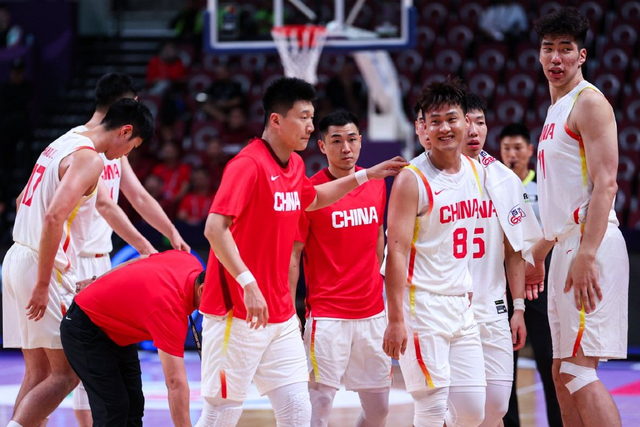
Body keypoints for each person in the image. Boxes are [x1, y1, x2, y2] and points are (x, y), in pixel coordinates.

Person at [196, 77, 406, 427]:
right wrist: (248, 283)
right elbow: (214, 229)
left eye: (311, 117)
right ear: (276, 120)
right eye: (304, 117)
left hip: (279, 315)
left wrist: (366, 176)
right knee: (222, 413)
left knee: (298, 411)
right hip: (237, 311)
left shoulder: (294, 166)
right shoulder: (247, 165)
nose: (310, 125)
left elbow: (314, 198)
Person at [2, 98, 153, 427]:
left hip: (15, 257)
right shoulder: (90, 159)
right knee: (67, 374)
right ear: (125, 131)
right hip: (40, 265)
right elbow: (54, 216)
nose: (125, 156)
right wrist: (43, 283)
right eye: (132, 147)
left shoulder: (62, 142)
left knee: (39, 372)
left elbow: (20, 199)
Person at [70, 71, 190, 427]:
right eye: (135, 102)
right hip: (73, 259)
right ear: (124, 102)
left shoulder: (115, 148)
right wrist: (148, 250)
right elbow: (106, 206)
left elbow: (137, 196)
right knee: (72, 373)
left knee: (94, 374)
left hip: (101, 259)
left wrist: (171, 232)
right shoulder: (80, 145)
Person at [528, 7, 629, 427]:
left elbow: (606, 184)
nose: (556, 58)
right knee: (560, 372)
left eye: (565, 49)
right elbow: (561, 202)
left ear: (581, 55)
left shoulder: (589, 103)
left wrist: (586, 253)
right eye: (548, 48)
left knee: (578, 371)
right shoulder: (556, 109)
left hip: (590, 244)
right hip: (565, 246)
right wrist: (539, 252)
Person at [382, 77, 486, 427]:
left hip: (460, 304)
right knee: (430, 407)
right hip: (420, 305)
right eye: (435, 121)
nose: (444, 128)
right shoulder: (411, 179)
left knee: (473, 411)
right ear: (423, 127)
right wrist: (396, 319)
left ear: (465, 122)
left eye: (451, 119)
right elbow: (396, 253)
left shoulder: (476, 171)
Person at [289, 111, 390, 427]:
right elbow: (294, 254)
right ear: (322, 146)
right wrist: (290, 308)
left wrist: (381, 287)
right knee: (318, 410)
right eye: (336, 141)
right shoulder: (311, 193)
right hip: (328, 316)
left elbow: (378, 235)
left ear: (360, 141)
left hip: (372, 314)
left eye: (351, 139)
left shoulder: (376, 184)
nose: (346, 148)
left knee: (379, 411)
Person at [460, 95, 543, 427]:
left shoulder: (504, 179)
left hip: (494, 307)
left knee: (496, 407)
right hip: (447, 308)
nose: (474, 130)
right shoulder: (428, 176)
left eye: (480, 122)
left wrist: (518, 307)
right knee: (447, 407)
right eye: (466, 122)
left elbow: (517, 249)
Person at [60, 250, 204, 427]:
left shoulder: (189, 261)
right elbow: (175, 383)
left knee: (134, 406)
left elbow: (139, 260)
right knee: (113, 410)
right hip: (84, 327)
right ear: (202, 290)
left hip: (117, 330)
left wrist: (99, 281)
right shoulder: (169, 311)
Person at [499, 123, 562, 427]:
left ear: (529, 151)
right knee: (504, 369)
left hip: (539, 286)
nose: (512, 154)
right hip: (505, 285)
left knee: (548, 362)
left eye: (517, 148)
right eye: (506, 149)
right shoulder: (497, 187)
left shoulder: (543, 188)